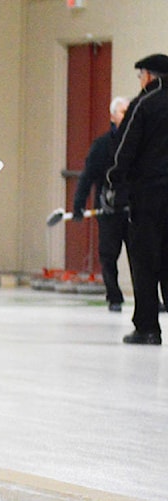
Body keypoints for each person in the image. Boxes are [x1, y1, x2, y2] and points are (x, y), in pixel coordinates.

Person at [105, 53, 168, 345]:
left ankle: (147, 327)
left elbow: (125, 150)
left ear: (150, 76)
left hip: (149, 196)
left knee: (145, 260)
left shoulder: (145, 103)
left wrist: (115, 184)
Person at [73, 96, 130, 312]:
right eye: (122, 112)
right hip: (108, 210)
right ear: (113, 116)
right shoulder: (102, 145)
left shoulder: (140, 144)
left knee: (142, 258)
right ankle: (114, 296)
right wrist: (79, 203)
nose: (125, 115)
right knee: (108, 255)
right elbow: (87, 177)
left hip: (134, 210)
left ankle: (148, 300)